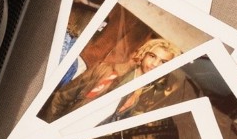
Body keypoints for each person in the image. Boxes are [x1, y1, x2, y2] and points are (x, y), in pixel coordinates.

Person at [41, 38, 181, 122]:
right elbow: (62, 97)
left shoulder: (142, 98)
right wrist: (48, 128)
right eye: (152, 56)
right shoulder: (108, 71)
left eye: (163, 62)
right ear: (143, 55)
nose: (155, 64)